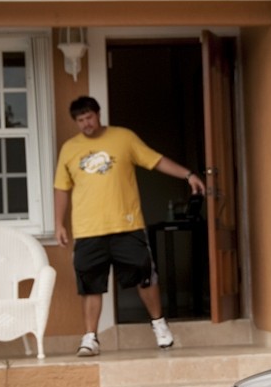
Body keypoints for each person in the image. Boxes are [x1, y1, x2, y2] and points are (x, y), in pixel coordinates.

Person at [54, 96, 206, 357]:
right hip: (88, 229)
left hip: (127, 224)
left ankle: (159, 325)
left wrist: (188, 174)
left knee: (145, 275)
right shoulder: (69, 148)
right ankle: (90, 337)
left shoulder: (124, 138)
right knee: (90, 284)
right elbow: (62, 188)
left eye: (89, 117)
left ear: (98, 114)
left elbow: (155, 160)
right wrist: (59, 223)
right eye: (80, 120)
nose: (86, 124)